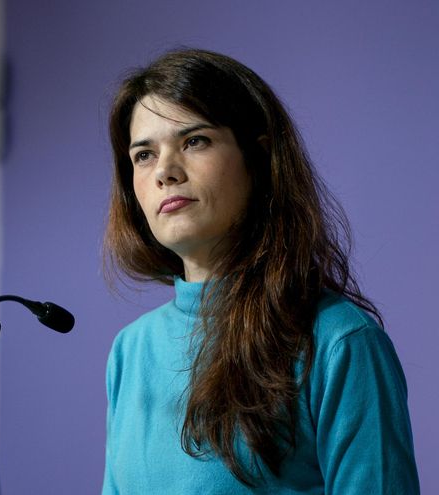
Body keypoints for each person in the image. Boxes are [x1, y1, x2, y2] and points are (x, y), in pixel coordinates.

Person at [102, 49, 419, 493]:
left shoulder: (338, 341)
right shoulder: (129, 351)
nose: (165, 172)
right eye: (143, 155)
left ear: (259, 158)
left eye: (195, 141)